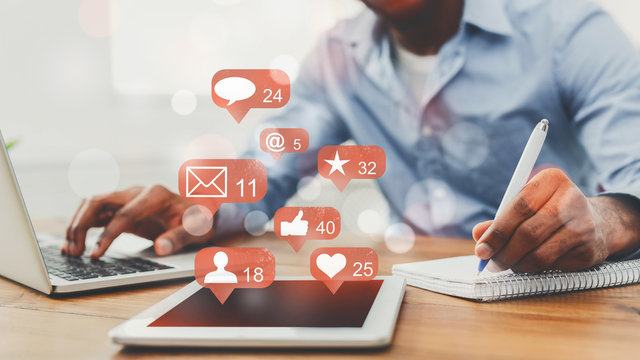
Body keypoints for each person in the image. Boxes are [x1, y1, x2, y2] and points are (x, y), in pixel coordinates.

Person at [62, 0, 640, 273]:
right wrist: (193, 209)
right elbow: (263, 170)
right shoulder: (337, 59)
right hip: (420, 302)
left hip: (557, 303)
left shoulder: (572, 33)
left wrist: (605, 220)